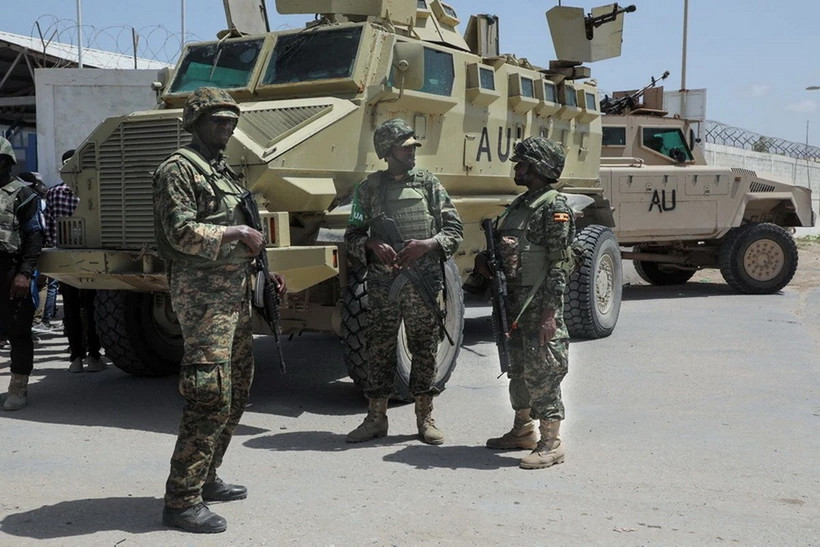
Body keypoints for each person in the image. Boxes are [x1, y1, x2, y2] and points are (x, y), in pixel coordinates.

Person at [153, 87, 286, 534]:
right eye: (217, 120)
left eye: (231, 121)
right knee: (208, 394)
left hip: (234, 295)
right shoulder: (178, 169)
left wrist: (264, 272)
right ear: (194, 122)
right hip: (203, 298)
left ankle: (206, 477)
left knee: (237, 390)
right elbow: (178, 233)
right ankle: (181, 500)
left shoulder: (221, 170)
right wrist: (234, 234)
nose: (226, 128)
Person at [344, 118, 463, 445]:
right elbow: (352, 234)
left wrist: (427, 245)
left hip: (422, 283)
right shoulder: (367, 189)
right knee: (378, 348)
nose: (412, 152)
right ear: (387, 151)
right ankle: (375, 418)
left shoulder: (429, 185)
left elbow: (454, 230)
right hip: (383, 286)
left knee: (424, 347)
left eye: (413, 147)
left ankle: (425, 417)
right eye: (405, 147)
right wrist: (370, 245)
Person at [474, 136, 575, 470]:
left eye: (522, 163)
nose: (516, 168)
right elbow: (507, 250)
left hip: (538, 301)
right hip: (512, 301)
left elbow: (559, 263)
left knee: (543, 369)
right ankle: (523, 431)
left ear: (539, 168)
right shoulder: (519, 205)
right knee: (517, 366)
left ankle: (550, 442)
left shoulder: (554, 207)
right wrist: (484, 261)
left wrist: (549, 314)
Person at [46, 150, 105, 373]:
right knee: (91, 307)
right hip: (89, 255)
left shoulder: (53, 193)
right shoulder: (90, 191)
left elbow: (50, 225)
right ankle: (94, 355)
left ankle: (75, 358)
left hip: (64, 255)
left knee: (70, 308)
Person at [0, 137, 45, 411]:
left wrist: (25, 273)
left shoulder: (23, 195)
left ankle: (18, 386)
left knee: (18, 330)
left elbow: (34, 237)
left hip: (10, 270)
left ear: (5, 161)